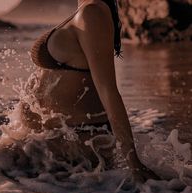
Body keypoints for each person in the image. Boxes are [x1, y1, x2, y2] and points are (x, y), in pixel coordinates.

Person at [26, 0, 159, 181]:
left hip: (77, 145)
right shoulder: (86, 6)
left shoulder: (93, 14)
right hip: (56, 141)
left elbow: (108, 90)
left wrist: (133, 162)